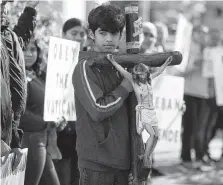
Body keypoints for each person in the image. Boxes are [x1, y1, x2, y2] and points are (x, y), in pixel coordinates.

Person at [72, 4, 133, 185]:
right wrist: (125, 87)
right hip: (96, 163)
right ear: (92, 34)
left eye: (114, 34)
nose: (109, 39)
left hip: (124, 162)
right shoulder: (84, 67)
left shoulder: (123, 66)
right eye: (103, 33)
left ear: (121, 35)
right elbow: (98, 109)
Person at [107, 54, 172, 168]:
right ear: (136, 74)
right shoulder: (134, 82)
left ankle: (147, 154)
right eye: (139, 74)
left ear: (146, 73)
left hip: (152, 111)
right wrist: (112, 61)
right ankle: (145, 158)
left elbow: (159, 71)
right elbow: (122, 71)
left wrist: (166, 63)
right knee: (151, 135)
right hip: (144, 111)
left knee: (157, 136)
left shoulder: (149, 81)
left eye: (143, 73)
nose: (141, 76)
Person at [20, 38, 66, 185]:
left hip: (42, 139)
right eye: (24, 49)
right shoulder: (13, 76)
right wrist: (47, 121)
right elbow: (19, 113)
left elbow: (45, 105)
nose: (28, 54)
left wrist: (57, 117)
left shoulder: (36, 75)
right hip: (28, 140)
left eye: (33, 49)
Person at [1, 0, 38, 169]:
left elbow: (19, 39)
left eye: (5, 3)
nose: (3, 7)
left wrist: (29, 11)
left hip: (8, 140)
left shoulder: (7, 36)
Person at [54, 17, 88, 185]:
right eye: (73, 33)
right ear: (63, 34)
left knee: (80, 176)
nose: (78, 37)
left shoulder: (91, 61)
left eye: (82, 34)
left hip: (85, 130)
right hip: (62, 130)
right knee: (63, 175)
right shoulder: (53, 61)